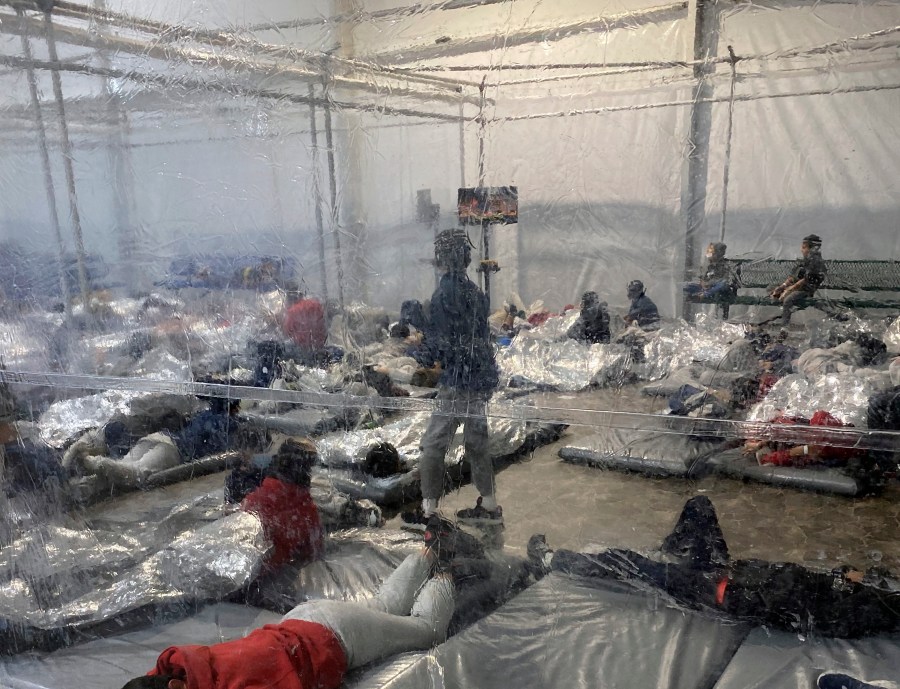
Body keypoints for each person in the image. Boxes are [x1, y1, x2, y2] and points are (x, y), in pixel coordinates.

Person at [118, 516, 458, 689]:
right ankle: (429, 549)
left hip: (336, 637)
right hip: (303, 622)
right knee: (384, 608)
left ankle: (451, 571)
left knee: (425, 630)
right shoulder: (181, 664)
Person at [534, 496, 900, 638]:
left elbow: (792, 611)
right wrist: (845, 575)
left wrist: (729, 587)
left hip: (721, 594)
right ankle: (669, 554)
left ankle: (552, 560)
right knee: (700, 506)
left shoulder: (869, 612)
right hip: (734, 574)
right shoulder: (880, 591)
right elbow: (839, 579)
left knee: (628, 562)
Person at [403, 229, 502, 528]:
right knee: (477, 443)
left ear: (441, 258)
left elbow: (441, 348)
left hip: (458, 380)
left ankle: (429, 511)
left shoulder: (445, 293)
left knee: (433, 445)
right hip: (479, 379)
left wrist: (418, 330)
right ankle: (489, 505)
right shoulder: (475, 292)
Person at [78, 396, 247, 489]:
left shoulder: (203, 415)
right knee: (136, 473)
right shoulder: (224, 423)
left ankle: (89, 479)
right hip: (174, 450)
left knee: (123, 467)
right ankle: (97, 465)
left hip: (159, 437)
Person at [240, 437, 324, 569]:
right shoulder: (306, 513)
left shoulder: (252, 500)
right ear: (307, 472)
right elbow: (313, 553)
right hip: (273, 578)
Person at [770, 234, 827, 325]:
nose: (801, 250)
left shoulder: (816, 262)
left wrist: (789, 290)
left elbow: (806, 279)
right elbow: (793, 277)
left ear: (812, 249)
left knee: (788, 300)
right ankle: (783, 314)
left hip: (805, 290)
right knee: (771, 289)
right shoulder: (804, 261)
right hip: (796, 288)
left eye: (804, 247)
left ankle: (784, 328)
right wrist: (782, 287)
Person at [281, 283, 328, 365]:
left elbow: (287, 332)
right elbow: (324, 322)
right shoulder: (315, 304)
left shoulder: (292, 311)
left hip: (303, 348)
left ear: (289, 298)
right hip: (319, 344)